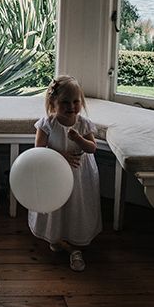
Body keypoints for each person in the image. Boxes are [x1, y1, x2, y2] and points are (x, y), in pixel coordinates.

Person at [28, 75, 101, 272]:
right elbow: (39, 149)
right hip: (54, 174)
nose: (71, 107)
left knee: (76, 205)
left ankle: (74, 240)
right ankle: (57, 237)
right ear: (53, 102)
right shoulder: (47, 123)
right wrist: (61, 155)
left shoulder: (83, 123)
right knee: (57, 205)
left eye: (76, 101)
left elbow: (92, 148)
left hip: (80, 174)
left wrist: (78, 139)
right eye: (65, 102)